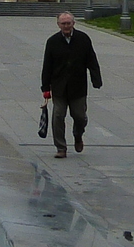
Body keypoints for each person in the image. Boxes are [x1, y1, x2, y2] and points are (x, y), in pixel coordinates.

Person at [40, 11, 102, 158]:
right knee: (58, 116)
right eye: (63, 24)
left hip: (78, 87)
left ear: (73, 23)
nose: (66, 26)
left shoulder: (83, 39)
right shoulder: (52, 41)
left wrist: (96, 79)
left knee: (80, 117)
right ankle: (61, 148)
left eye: (68, 23)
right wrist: (45, 88)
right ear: (58, 25)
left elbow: (92, 60)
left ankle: (78, 135)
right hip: (59, 87)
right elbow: (47, 66)